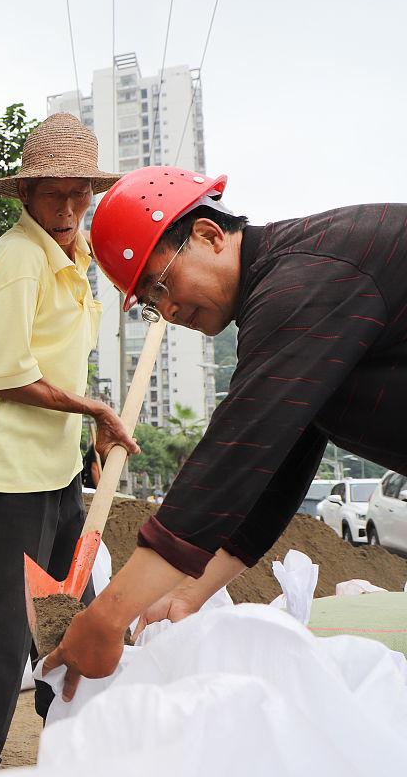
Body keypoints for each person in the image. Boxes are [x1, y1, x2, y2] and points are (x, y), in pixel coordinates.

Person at [44, 166, 407, 698]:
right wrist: (189, 593)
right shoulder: (288, 294)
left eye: (161, 284)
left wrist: (107, 615)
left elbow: (236, 455)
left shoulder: (302, 279)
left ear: (210, 235)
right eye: (150, 301)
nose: (166, 310)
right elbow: (274, 468)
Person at [0, 113, 138, 776]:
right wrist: (92, 409)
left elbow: (62, 357)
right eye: (53, 195)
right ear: (25, 196)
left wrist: (84, 427)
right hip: (8, 467)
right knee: (2, 618)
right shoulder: (19, 258)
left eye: (78, 194)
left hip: (54, 463)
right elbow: (6, 373)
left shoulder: (72, 254)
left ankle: (68, 735)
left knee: (66, 605)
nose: (66, 208)